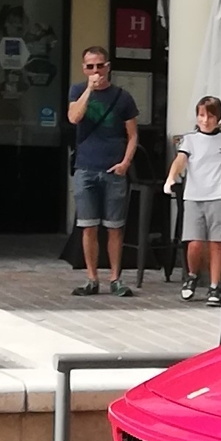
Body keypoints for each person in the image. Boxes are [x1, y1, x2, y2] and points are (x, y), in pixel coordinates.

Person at [164, 96, 221, 304]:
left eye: (210, 116)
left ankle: (215, 286)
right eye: (201, 115)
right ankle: (192, 276)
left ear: (218, 118)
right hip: (194, 197)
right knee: (194, 243)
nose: (205, 120)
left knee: (216, 244)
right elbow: (181, 159)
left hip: (219, 197)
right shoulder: (190, 140)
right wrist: (171, 178)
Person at [67, 46, 140, 295]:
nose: (95, 71)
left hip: (113, 170)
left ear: (108, 66)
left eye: (100, 65)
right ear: (84, 68)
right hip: (86, 167)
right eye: (90, 66)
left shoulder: (122, 97)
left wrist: (125, 163)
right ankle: (91, 278)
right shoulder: (77, 90)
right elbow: (74, 118)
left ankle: (115, 278)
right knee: (88, 226)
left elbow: (132, 135)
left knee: (115, 227)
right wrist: (89, 89)